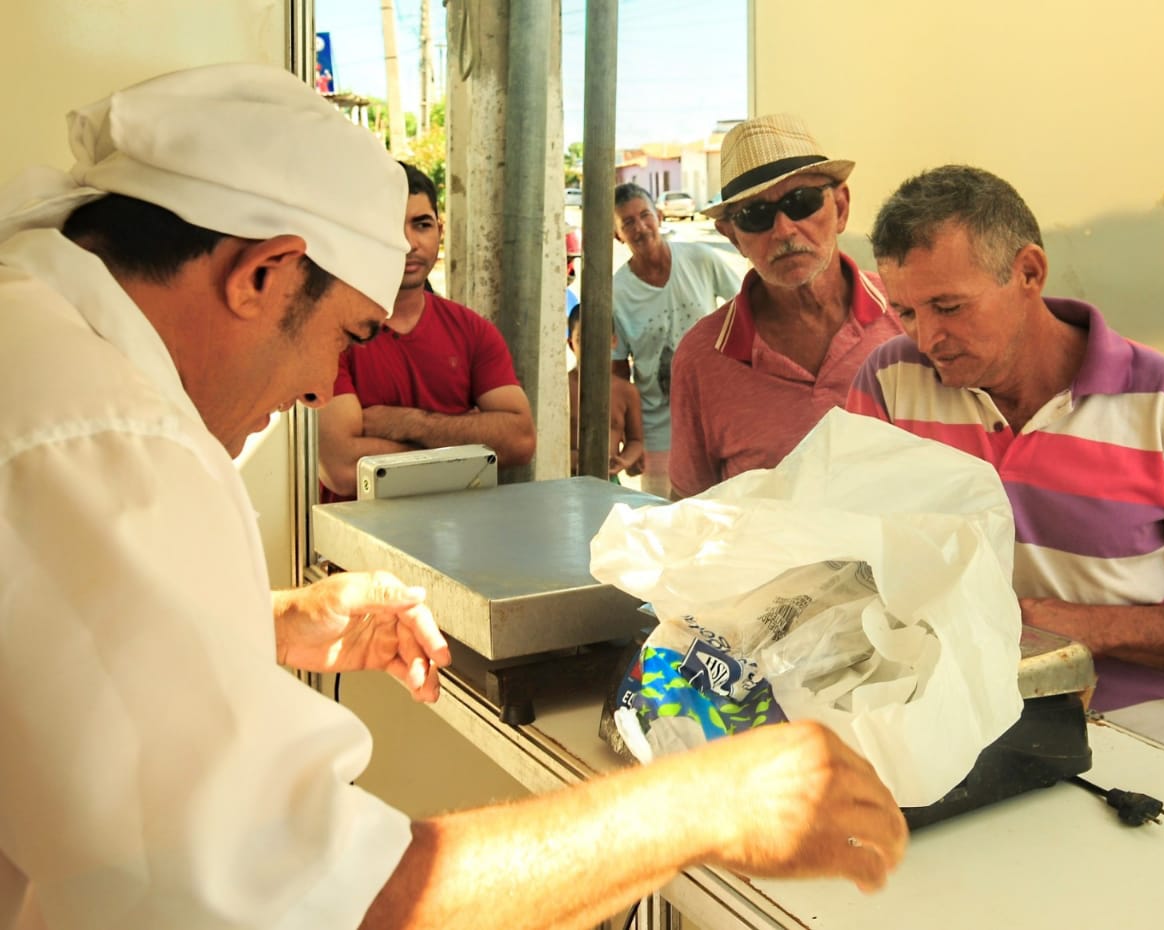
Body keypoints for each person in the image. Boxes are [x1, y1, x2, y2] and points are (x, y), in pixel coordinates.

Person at [0, 65, 906, 929]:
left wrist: (259, 619)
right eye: (345, 335)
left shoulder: (46, 346)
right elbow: (296, 898)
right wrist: (703, 804)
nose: (322, 387)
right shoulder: (102, 436)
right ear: (264, 274)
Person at [846, 164, 1164, 768]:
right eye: (907, 312)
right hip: (957, 736)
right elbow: (849, 560)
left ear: (1029, 272)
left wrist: (1076, 629)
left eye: (949, 306)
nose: (927, 340)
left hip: (1153, 751)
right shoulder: (891, 381)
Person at [668, 114, 904, 499]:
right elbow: (690, 512)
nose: (783, 230)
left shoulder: (909, 318)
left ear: (841, 207)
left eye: (801, 202)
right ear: (732, 237)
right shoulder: (701, 359)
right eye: (755, 215)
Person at [317, 162, 536, 502]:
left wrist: (407, 423)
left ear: (440, 230)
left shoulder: (473, 332)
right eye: (390, 227)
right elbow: (342, 469)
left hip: (459, 544)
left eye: (421, 225)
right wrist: (467, 446)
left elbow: (520, 441)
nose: (409, 243)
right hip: (358, 548)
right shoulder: (334, 333)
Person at [611, 182, 740, 498]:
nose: (640, 228)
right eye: (628, 222)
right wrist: (632, 439)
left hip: (718, 422)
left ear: (659, 216)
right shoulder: (616, 294)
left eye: (645, 216)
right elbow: (618, 375)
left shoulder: (699, 258)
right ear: (617, 234)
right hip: (658, 436)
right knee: (665, 527)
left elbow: (747, 309)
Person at [567, 304, 644, 480]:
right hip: (567, 477)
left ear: (613, 341)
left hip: (609, 479)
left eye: (599, 338)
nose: (590, 347)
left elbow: (636, 441)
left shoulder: (626, 391)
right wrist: (571, 457)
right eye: (581, 339)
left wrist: (624, 460)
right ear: (571, 344)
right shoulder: (562, 389)